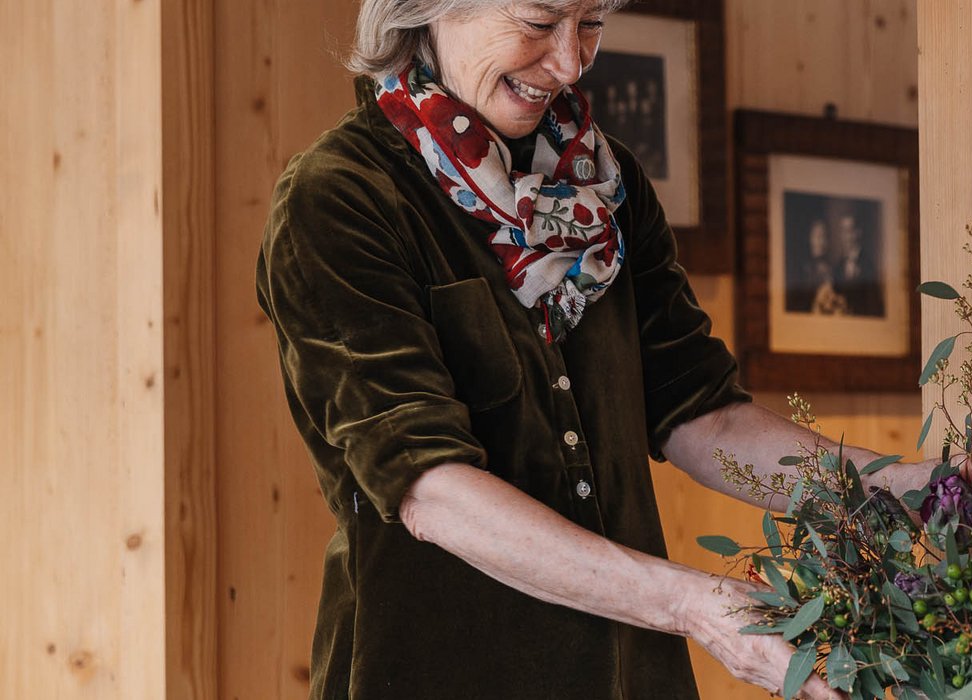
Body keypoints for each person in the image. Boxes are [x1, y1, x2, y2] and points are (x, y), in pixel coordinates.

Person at [254, 1, 934, 697]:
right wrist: (694, 606)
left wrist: (894, 489)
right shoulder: (339, 197)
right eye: (540, 22)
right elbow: (430, 490)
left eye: (591, 24)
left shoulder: (608, 185)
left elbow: (702, 417)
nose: (571, 63)